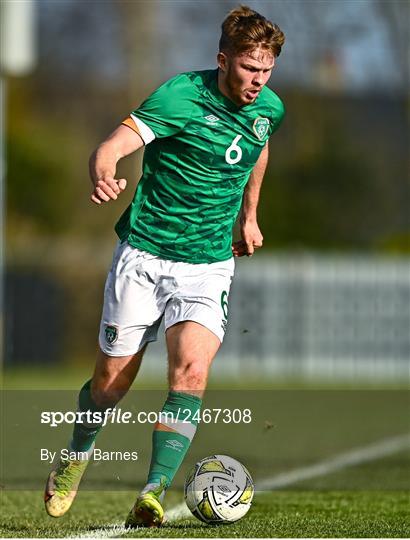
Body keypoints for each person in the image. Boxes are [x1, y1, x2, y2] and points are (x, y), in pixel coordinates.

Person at [44, 5, 285, 527]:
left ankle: (152, 493)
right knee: (111, 383)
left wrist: (250, 215)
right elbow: (115, 144)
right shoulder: (180, 95)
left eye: (266, 70)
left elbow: (258, 147)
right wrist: (103, 169)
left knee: (191, 375)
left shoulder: (269, 107)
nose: (257, 81)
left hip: (208, 263)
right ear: (223, 60)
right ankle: (75, 454)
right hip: (145, 255)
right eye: (248, 69)